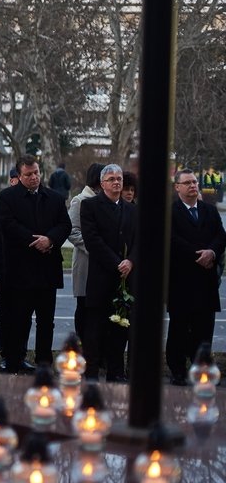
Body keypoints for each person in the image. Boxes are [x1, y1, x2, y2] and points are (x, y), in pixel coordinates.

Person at [0, 156, 71, 371]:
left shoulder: (53, 198)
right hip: (19, 269)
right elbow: (6, 225)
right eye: (28, 174)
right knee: (19, 318)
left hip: (47, 268)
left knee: (47, 320)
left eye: (36, 172)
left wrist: (50, 239)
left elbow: (65, 224)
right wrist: (35, 241)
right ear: (19, 176)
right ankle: (15, 359)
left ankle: (44, 360)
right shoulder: (6, 198)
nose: (34, 177)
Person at [167, 169, 226, 385]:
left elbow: (221, 236)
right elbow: (171, 239)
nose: (193, 185)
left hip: (205, 280)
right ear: (177, 187)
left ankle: (201, 369)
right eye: (187, 183)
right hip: (181, 280)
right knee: (179, 329)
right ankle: (178, 371)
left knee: (204, 330)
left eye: (194, 182)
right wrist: (197, 254)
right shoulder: (170, 212)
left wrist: (211, 252)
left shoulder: (209, 210)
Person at [80, 164, 136, 382]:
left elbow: (139, 240)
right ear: (102, 183)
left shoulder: (132, 209)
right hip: (101, 278)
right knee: (95, 331)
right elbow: (93, 241)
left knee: (120, 329)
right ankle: (91, 373)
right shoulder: (90, 206)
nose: (117, 182)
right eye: (111, 178)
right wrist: (117, 263)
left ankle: (116, 372)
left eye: (119, 178)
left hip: (126, 280)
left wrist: (130, 261)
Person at [67, 164, 104, 342]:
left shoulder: (104, 200)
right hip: (86, 260)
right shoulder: (80, 200)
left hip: (102, 261)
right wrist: (94, 248)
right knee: (84, 305)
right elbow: (73, 231)